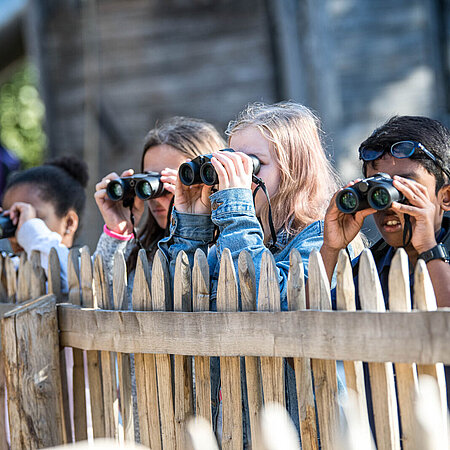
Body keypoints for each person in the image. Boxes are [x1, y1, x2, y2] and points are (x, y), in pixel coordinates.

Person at [159, 102, 354, 441]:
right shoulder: (233, 237)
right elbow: (178, 306)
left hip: (307, 426)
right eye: (230, 162)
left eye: (252, 165)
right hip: (240, 427)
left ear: (294, 172)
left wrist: (235, 208)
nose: (236, 177)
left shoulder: (323, 238)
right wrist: (192, 222)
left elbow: (272, 305)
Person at [320, 115, 450, 308]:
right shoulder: (371, 266)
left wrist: (428, 247)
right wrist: (331, 249)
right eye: (379, 190)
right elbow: (308, 324)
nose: (389, 205)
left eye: (404, 188)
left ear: (445, 197)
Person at [94, 116, 226, 282]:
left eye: (172, 182)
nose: (156, 198)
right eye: (150, 182)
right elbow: (102, 300)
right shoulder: (144, 249)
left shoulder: (229, 249)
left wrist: (193, 221)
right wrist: (118, 231)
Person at [1, 155, 89, 292]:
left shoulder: (85, 270)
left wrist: (30, 229)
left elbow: (64, 281)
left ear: (69, 223)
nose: (19, 229)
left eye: (32, 218)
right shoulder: (10, 274)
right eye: (10, 218)